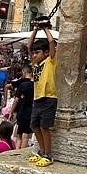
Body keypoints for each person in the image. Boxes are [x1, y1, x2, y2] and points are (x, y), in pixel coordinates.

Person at [27, 24, 57, 166]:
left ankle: (48, 154)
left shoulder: (50, 61)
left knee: (45, 127)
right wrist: (34, 30)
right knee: (34, 126)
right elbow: (29, 46)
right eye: (33, 53)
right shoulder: (35, 64)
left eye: (37, 52)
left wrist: (45, 28)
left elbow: (51, 42)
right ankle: (42, 151)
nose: (34, 55)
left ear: (45, 53)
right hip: (37, 98)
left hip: (49, 98)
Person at [10, 64, 34, 149]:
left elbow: (16, 100)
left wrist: (11, 112)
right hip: (30, 112)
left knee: (19, 135)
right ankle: (22, 152)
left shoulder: (22, 85)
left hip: (21, 111)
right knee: (26, 135)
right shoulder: (35, 85)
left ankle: (17, 151)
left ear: (24, 72)